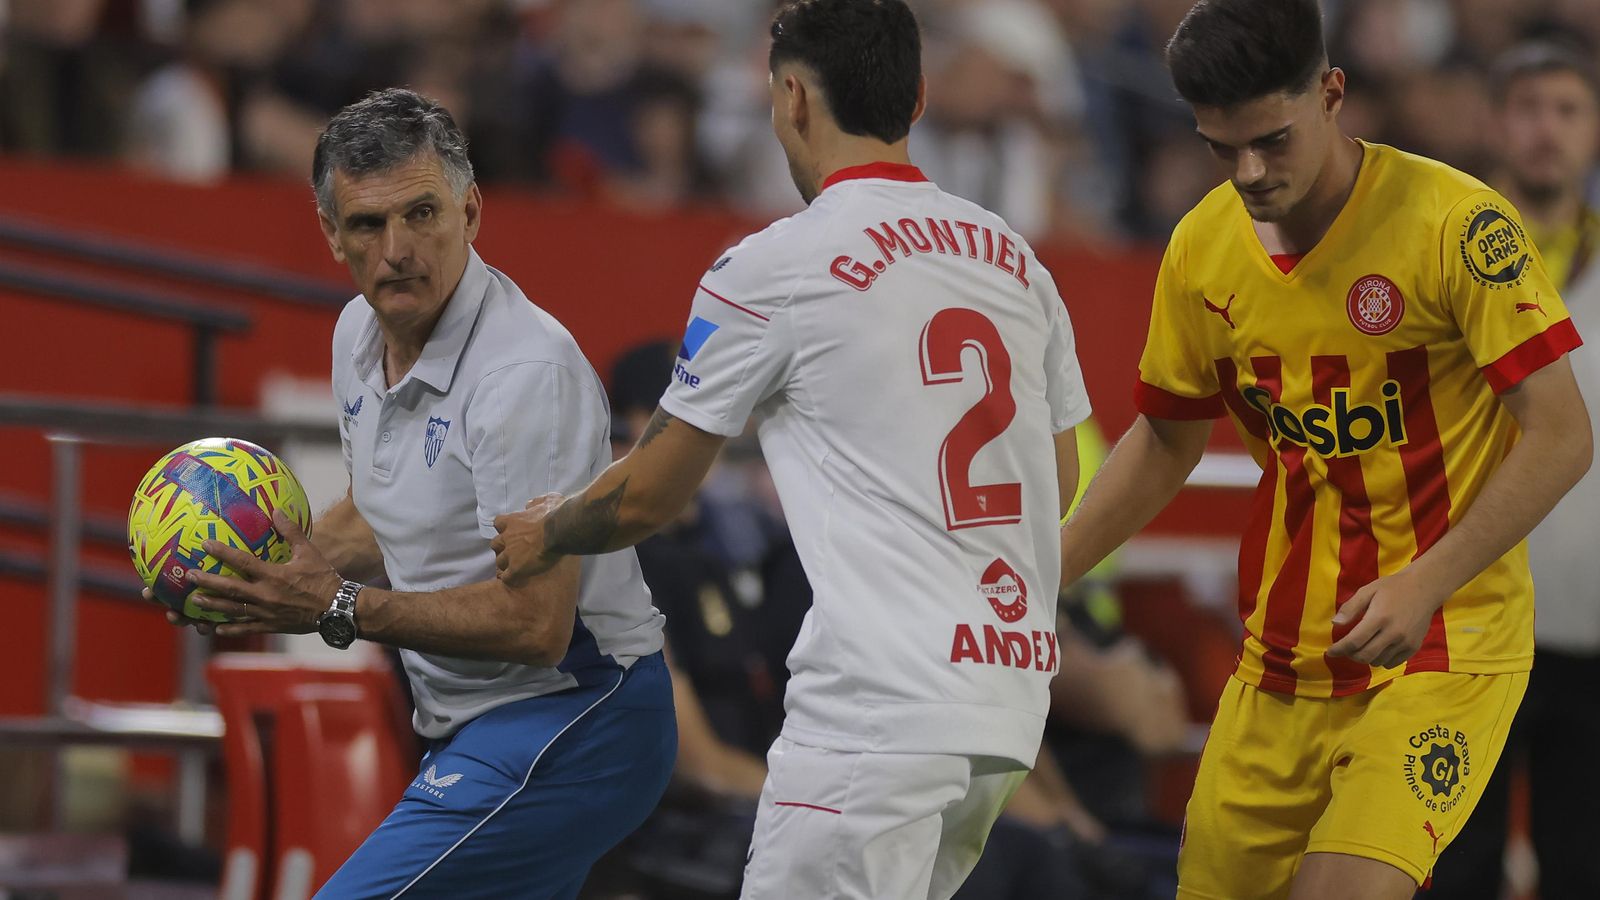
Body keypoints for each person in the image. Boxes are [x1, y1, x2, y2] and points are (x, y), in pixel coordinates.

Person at [492, 1, 1093, 897]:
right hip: (1002, 712)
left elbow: (650, 495)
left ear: (794, 99)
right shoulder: (1015, 260)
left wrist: (550, 532)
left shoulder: (775, 265)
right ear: (918, 99)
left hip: (874, 713)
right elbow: (1062, 476)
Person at [1055, 2, 1592, 899]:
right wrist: (1043, 573)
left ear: (1333, 93)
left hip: (1443, 650)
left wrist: (1426, 581)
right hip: (1281, 661)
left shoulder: (1456, 223)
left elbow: (1564, 436)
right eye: (1223, 149)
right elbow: (1164, 441)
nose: (1251, 173)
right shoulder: (1201, 248)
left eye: (1273, 141)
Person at [152, 88, 674, 899]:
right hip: (478, 724)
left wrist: (336, 606)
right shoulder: (355, 336)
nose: (398, 250)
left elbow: (537, 626)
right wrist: (253, 576)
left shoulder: (523, 374)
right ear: (332, 234)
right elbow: (383, 509)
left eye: (422, 214)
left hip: (580, 715)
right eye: (368, 224)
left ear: (471, 212)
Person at [1426, 41, 1600, 900]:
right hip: (1462, 617)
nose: (1546, 130)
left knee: (1582, 867)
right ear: (1493, 124)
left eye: (1568, 111)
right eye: (1528, 108)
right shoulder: (1436, 257)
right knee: (1454, 867)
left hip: (1589, 624)